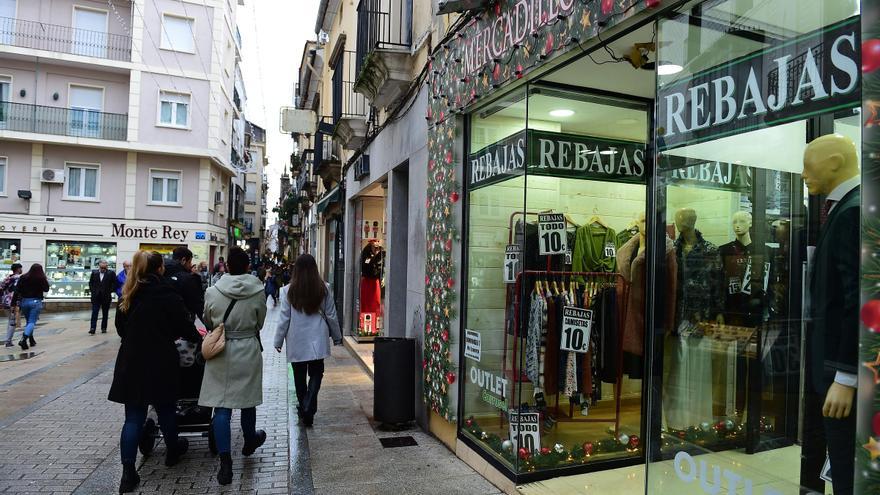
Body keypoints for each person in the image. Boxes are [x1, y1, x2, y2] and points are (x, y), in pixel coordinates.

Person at [108, 251, 202, 493]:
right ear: (159, 269)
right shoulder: (167, 294)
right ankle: (172, 449)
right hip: (161, 359)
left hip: (132, 361)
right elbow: (185, 326)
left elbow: (121, 329)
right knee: (166, 409)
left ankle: (128, 472)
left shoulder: (128, 293)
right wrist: (198, 338)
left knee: (133, 418)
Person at [800, 134, 860, 494]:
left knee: (844, 465)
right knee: (830, 456)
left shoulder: (853, 211)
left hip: (839, 370)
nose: (803, 173)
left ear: (835, 162)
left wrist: (847, 376)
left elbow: (861, 300)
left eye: (809, 164)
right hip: (827, 364)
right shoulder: (842, 208)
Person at [199, 247, 268, 486]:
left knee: (222, 406)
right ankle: (250, 440)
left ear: (226, 266)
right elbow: (260, 321)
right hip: (247, 347)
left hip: (221, 350)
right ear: (248, 266)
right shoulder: (258, 289)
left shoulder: (212, 291)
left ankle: (225, 462)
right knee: (247, 400)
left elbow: (208, 320)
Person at [274, 254, 342, 428]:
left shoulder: (287, 290)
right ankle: (308, 406)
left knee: (299, 376)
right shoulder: (324, 288)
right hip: (317, 338)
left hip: (297, 339)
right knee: (317, 373)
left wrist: (278, 341)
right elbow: (331, 314)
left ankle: (306, 408)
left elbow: (284, 319)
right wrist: (337, 336)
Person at [164, 247, 204, 322]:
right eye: (189, 262)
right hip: (181, 322)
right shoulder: (187, 279)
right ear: (183, 260)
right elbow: (197, 305)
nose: (191, 265)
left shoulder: (162, 273)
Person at [16, 264, 49, 350]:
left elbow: (17, 290)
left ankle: (31, 340)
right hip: (35, 301)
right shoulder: (41, 278)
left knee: (28, 322)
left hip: (24, 301)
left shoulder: (23, 277)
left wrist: (14, 303)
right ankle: (24, 339)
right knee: (31, 322)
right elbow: (46, 289)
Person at [88, 260, 117, 334]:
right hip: (96, 297)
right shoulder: (94, 273)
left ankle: (104, 328)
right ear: (99, 266)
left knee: (105, 313)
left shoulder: (111, 273)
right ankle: (92, 328)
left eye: (105, 268)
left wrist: (109, 291)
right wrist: (93, 291)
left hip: (106, 297)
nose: (103, 269)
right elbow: (91, 283)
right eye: (102, 267)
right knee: (94, 313)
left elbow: (114, 284)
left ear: (107, 267)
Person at [2, 263, 22, 347]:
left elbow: (1, 287)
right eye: (20, 268)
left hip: (5, 301)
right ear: (18, 269)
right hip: (13, 302)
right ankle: (8, 341)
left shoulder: (8, 278)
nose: (21, 270)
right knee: (12, 322)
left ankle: (8, 340)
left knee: (10, 320)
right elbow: (18, 291)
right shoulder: (19, 278)